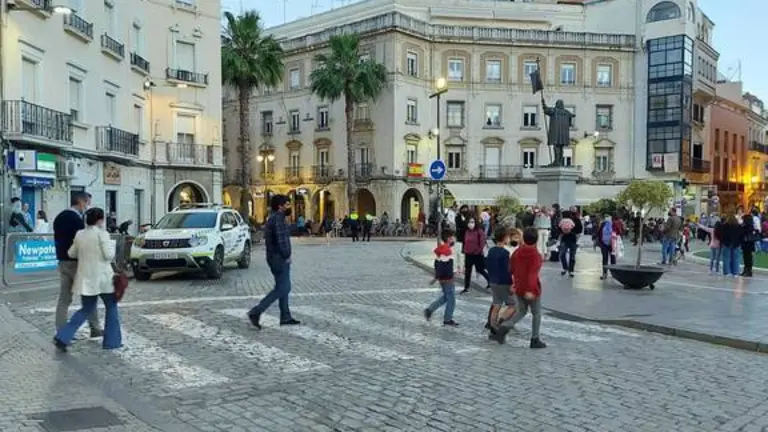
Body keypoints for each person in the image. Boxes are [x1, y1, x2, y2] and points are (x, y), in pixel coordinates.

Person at [53, 207, 121, 352]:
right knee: (111, 306)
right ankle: (112, 341)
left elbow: (71, 253)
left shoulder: (80, 234)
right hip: (103, 278)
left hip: (86, 279)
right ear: (100, 220)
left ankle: (63, 336)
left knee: (86, 309)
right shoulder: (102, 234)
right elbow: (109, 255)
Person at [53, 192, 102, 337]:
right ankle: (95, 327)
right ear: (81, 202)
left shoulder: (59, 217)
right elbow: (83, 242)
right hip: (77, 263)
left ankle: (61, 330)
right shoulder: (77, 220)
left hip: (62, 261)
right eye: (87, 203)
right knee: (89, 296)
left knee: (64, 299)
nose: (87, 207)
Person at [248, 195, 300, 329]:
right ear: (280, 206)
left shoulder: (274, 218)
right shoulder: (278, 219)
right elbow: (281, 240)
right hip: (279, 258)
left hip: (274, 257)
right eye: (287, 204)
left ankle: (285, 316)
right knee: (284, 287)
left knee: (282, 286)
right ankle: (256, 311)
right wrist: (287, 255)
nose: (289, 207)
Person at [491, 227, 546, 349]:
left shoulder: (517, 252)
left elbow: (511, 269)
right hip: (531, 288)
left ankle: (504, 326)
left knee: (521, 311)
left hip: (519, 286)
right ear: (536, 240)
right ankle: (535, 339)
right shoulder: (536, 255)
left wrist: (515, 282)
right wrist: (530, 290)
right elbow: (532, 274)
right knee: (536, 313)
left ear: (524, 238)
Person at [484, 227, 516, 336]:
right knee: (513, 305)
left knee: (496, 304)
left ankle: (492, 326)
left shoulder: (491, 250)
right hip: (503, 282)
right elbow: (507, 270)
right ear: (505, 238)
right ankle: (500, 322)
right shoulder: (505, 253)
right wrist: (511, 284)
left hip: (493, 280)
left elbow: (487, 265)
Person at [423, 230, 458, 327]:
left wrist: (437, 277)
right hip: (447, 279)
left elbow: (438, 264)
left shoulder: (443, 249)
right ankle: (447, 319)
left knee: (446, 297)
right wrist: (437, 278)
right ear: (448, 238)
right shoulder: (446, 250)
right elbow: (442, 266)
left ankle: (429, 310)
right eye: (452, 237)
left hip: (444, 278)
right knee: (451, 300)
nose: (454, 239)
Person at [460, 217, 489, 295]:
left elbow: (482, 242)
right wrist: (464, 251)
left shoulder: (479, 231)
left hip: (477, 254)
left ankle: (489, 280)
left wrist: (478, 251)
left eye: (472, 222)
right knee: (467, 271)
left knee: (480, 269)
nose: (471, 224)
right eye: (469, 222)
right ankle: (466, 288)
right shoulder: (467, 231)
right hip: (468, 254)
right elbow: (465, 242)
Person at [558, 210, 582, 278]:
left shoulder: (574, 220)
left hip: (570, 239)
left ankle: (570, 270)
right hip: (568, 239)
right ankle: (566, 268)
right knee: (565, 255)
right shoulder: (569, 221)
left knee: (569, 255)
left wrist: (566, 231)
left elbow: (578, 229)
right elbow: (559, 228)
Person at [597, 213, 617, 280]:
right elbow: (599, 233)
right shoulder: (603, 224)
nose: (606, 218)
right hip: (604, 244)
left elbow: (619, 232)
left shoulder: (614, 224)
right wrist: (600, 242)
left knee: (612, 258)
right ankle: (604, 274)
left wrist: (615, 238)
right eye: (605, 216)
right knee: (605, 258)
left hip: (612, 244)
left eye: (608, 216)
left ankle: (614, 274)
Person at [741, 213, 758, 278]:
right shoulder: (751, 226)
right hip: (749, 244)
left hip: (747, 244)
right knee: (748, 257)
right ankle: (747, 271)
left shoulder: (747, 226)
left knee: (747, 258)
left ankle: (747, 271)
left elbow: (743, 233)